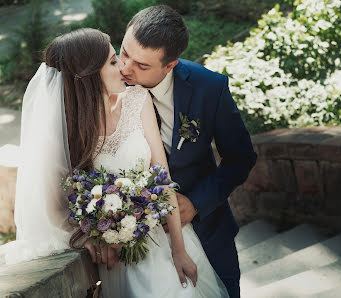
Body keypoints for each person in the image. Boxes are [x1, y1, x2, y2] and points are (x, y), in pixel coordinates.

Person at [0, 28, 229, 297]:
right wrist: (91, 235)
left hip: (163, 241)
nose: (122, 66)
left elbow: (162, 178)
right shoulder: (66, 133)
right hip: (118, 259)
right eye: (111, 61)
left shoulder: (137, 100)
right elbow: (53, 205)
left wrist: (179, 249)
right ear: (86, 76)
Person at [117, 5, 257, 298]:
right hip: (140, 241)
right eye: (125, 52)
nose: (125, 68)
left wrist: (196, 203)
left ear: (170, 66)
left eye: (142, 66)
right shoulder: (110, 84)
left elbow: (241, 157)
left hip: (207, 227)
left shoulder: (210, 88)